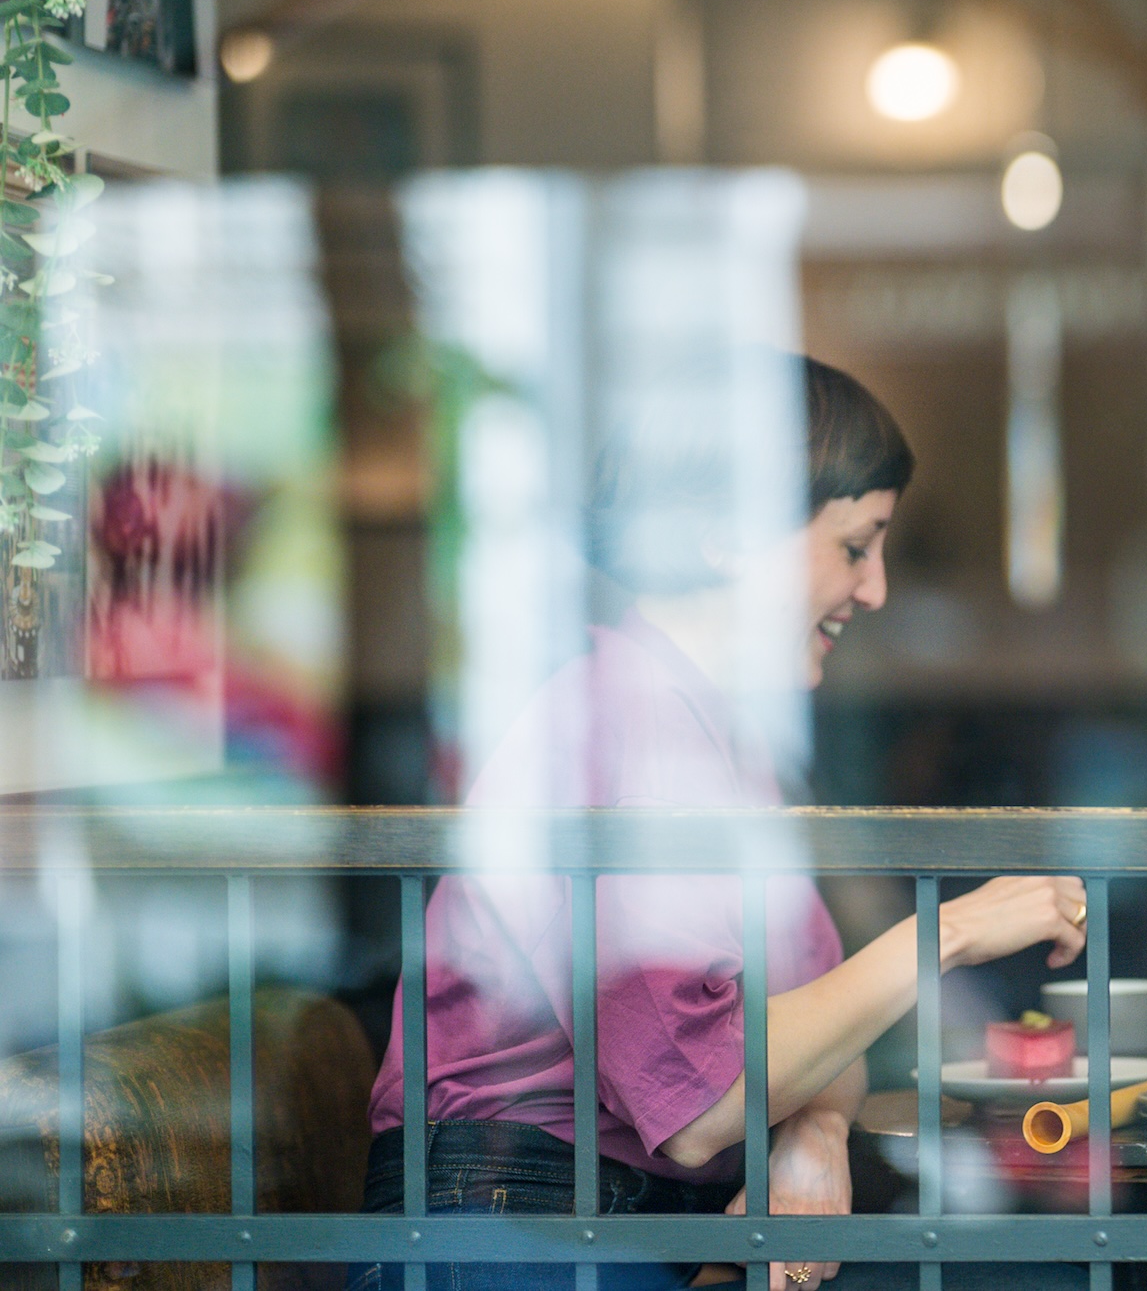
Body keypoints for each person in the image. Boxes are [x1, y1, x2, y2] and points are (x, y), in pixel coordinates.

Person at [351, 353, 1088, 1291]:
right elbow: (706, 1107)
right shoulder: (626, 722)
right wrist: (954, 930)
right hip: (512, 1242)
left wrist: (813, 1136)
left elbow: (822, 1025)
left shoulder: (714, 735)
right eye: (856, 546)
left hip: (621, 1229)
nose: (876, 591)